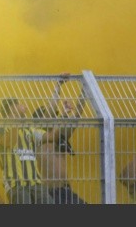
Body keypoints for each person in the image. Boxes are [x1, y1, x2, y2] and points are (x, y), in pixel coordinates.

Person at [31, 75, 88, 204]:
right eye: (51, 116)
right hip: (49, 192)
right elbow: (50, 114)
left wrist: (85, 90)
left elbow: (77, 114)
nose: (54, 117)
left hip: (66, 190)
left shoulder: (60, 136)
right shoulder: (36, 137)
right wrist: (58, 86)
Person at [0, 96, 58, 204]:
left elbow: (51, 137)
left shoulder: (29, 130)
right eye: (20, 104)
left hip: (36, 183)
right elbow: (9, 142)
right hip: (15, 183)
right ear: (12, 108)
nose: (25, 106)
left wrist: (64, 116)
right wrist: (17, 118)